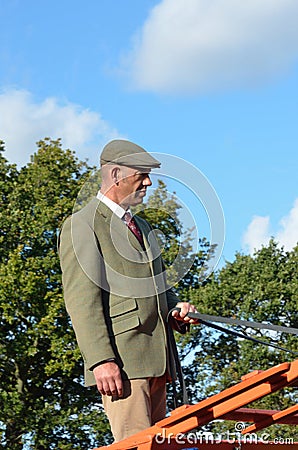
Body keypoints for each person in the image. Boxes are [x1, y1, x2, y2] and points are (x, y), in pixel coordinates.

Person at [58, 139, 198, 442]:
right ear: (117, 174)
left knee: (159, 448)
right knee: (137, 446)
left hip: (160, 360)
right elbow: (82, 301)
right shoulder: (82, 225)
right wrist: (100, 360)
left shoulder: (143, 227)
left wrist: (177, 309)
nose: (148, 182)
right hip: (123, 365)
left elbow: (160, 287)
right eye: (142, 174)